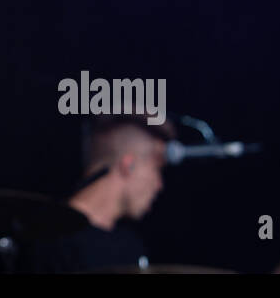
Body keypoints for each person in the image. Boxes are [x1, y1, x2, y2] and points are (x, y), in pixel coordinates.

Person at [25, 115, 173, 272]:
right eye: (156, 169)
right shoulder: (50, 240)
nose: (159, 185)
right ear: (128, 165)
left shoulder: (131, 246)